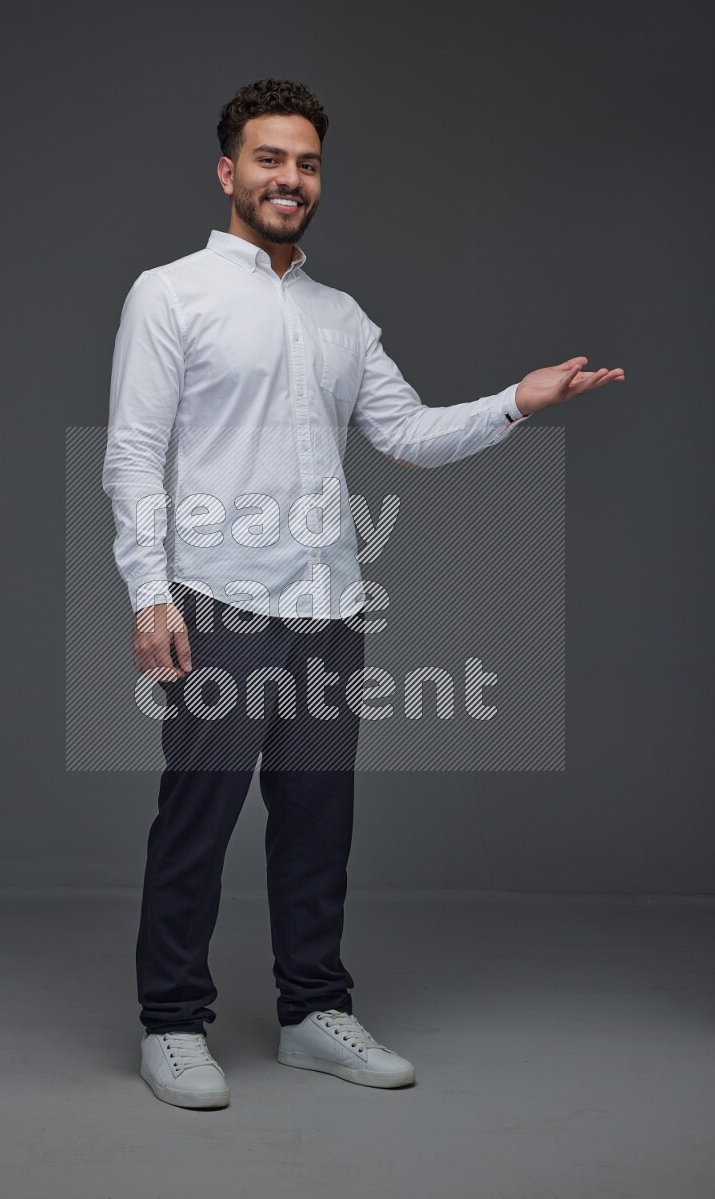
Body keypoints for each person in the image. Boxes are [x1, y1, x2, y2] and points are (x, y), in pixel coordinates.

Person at [102, 78, 625, 1110]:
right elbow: (131, 453)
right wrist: (148, 591)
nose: (288, 178)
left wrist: (513, 404)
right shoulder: (170, 294)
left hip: (328, 610)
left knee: (315, 822)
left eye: (304, 163)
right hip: (218, 601)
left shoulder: (341, 317)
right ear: (228, 172)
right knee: (196, 819)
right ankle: (171, 1020)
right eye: (267, 159)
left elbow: (406, 435)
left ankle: (310, 1012)